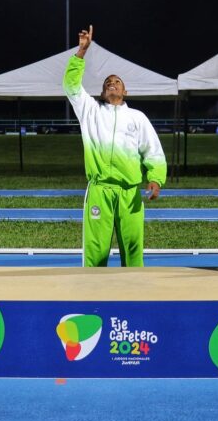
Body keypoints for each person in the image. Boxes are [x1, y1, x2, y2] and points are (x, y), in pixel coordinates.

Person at [63, 25, 167, 267]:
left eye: (117, 81)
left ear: (125, 91)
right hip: (100, 190)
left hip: (130, 193)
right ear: (102, 91)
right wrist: (81, 52)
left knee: (133, 250)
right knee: (96, 251)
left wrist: (156, 179)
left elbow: (153, 151)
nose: (112, 83)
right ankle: (93, 297)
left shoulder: (137, 118)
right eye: (108, 82)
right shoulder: (89, 111)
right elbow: (71, 87)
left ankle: (133, 297)